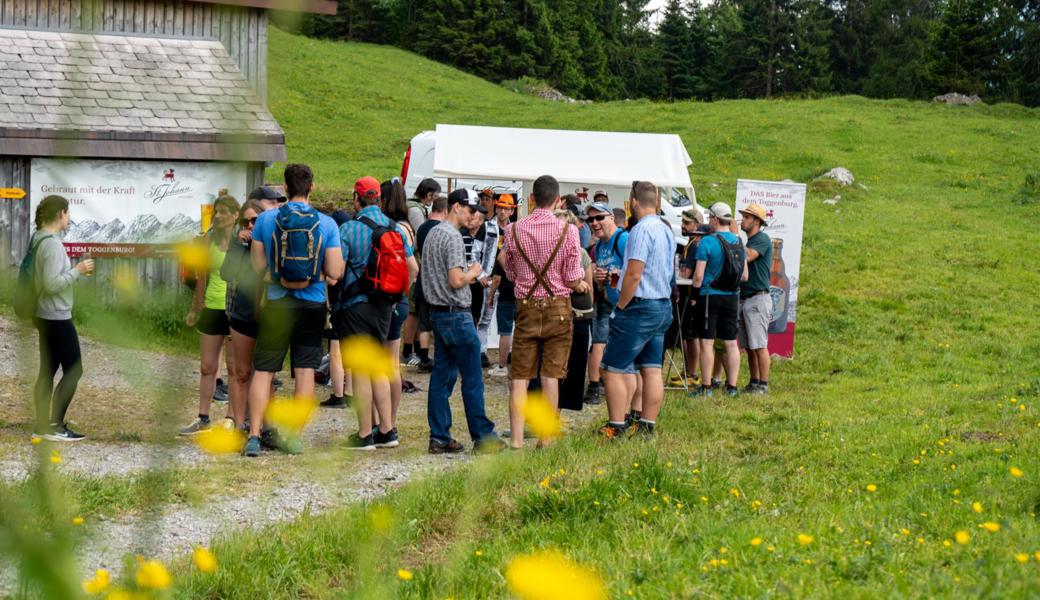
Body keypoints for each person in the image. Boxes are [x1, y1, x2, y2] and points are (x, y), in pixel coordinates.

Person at [244, 164, 344, 457]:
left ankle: (254, 435)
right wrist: (316, 278)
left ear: (285, 189)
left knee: (263, 371)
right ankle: (296, 438)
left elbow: (257, 268)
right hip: (311, 305)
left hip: (277, 303)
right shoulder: (327, 224)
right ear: (311, 187)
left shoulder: (265, 220)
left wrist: (280, 278)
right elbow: (336, 270)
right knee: (304, 372)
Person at [502, 175, 587, 449]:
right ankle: (546, 438)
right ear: (558, 199)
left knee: (519, 378)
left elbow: (513, 274)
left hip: (525, 307)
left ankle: (516, 440)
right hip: (557, 308)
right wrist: (582, 283)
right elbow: (572, 277)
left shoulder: (512, 230)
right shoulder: (568, 231)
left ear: (531, 199)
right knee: (551, 376)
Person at [422, 188, 503, 454]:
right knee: (472, 378)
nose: (473, 216)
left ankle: (440, 436)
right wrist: (474, 272)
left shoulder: (432, 232)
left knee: (442, 376)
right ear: (456, 207)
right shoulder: (454, 238)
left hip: (438, 312)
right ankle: (482, 436)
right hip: (456, 313)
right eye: (470, 210)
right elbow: (456, 280)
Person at [334, 176, 409, 450]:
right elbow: (410, 267)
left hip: (355, 307)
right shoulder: (395, 228)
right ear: (378, 198)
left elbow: (338, 271)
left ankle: (365, 433)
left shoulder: (349, 229)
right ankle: (387, 430)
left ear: (357, 198)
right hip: (385, 306)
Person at [598, 182, 676, 439]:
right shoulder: (666, 229)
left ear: (633, 201)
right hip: (661, 304)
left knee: (612, 368)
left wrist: (620, 304)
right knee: (651, 367)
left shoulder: (641, 230)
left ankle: (615, 426)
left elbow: (634, 273)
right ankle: (646, 424)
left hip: (639, 306)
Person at [29, 195, 94, 441]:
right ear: (60, 214)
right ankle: (55, 426)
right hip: (55, 316)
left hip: (42, 314)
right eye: (68, 214)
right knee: (74, 369)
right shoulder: (52, 244)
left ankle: (42, 425)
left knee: (47, 369)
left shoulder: (38, 238)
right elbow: (51, 284)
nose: (69, 218)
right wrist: (77, 271)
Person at [181, 195, 240, 436]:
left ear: (235, 215)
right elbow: (201, 277)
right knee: (207, 366)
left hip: (236, 309)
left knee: (234, 368)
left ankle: (231, 418)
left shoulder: (242, 241)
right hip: (212, 307)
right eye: (216, 212)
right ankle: (203, 417)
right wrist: (196, 307)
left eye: (224, 212)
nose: (218, 216)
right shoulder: (208, 241)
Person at [690, 202, 748, 398]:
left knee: (707, 342)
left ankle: (706, 387)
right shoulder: (739, 242)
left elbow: (698, 276)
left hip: (709, 296)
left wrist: (693, 297)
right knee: (731, 342)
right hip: (732, 297)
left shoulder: (707, 242)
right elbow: (745, 276)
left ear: (714, 219)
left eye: (709, 218)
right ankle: (732, 387)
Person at [220, 198, 265, 431]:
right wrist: (237, 246)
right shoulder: (239, 244)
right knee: (240, 371)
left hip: (267, 313)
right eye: (245, 222)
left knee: (264, 372)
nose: (249, 226)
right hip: (242, 312)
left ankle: (261, 426)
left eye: (254, 220)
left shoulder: (269, 241)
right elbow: (226, 273)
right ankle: (238, 424)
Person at [380, 178, 421, 428]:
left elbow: (412, 267)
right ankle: (391, 422)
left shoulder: (390, 228)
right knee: (393, 366)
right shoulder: (407, 226)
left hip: (387, 300)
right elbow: (412, 267)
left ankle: (383, 423)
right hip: (401, 300)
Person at [584, 202, 628, 406]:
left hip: (627, 307)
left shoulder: (622, 239)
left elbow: (638, 271)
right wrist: (601, 279)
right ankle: (595, 387)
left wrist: (613, 275)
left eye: (599, 217)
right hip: (607, 302)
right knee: (600, 344)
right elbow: (605, 279)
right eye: (590, 219)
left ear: (611, 217)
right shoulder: (599, 246)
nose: (594, 223)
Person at [555, 209, 595, 411]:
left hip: (578, 314)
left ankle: (561, 410)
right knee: (553, 364)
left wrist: (590, 313)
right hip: (555, 314)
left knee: (575, 363)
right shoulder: (547, 251)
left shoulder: (581, 253)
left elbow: (588, 286)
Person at [737, 203, 774, 394]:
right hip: (746, 298)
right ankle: (754, 382)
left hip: (758, 299)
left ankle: (764, 385)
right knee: (749, 346)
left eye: (746, 217)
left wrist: (734, 240)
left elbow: (747, 257)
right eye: (743, 216)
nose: (742, 220)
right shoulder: (750, 241)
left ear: (757, 221)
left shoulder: (762, 239)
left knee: (759, 344)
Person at [321, 208, 355, 409]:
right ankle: (350, 390)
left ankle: (338, 394)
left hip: (339, 303)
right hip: (353, 302)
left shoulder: (336, 247)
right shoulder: (353, 243)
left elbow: (334, 279)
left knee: (335, 350)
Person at [412, 195, 447, 373]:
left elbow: (416, 248)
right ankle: (439, 357)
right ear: (445, 210)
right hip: (436, 283)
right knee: (439, 322)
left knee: (423, 322)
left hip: (421, 279)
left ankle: (424, 358)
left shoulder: (422, 227)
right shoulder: (442, 229)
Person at [676, 219, 711, 385]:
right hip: (691, 294)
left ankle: (693, 373)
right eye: (695, 236)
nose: (696, 238)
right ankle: (689, 370)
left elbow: (688, 273)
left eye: (699, 236)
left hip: (693, 295)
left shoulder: (698, 247)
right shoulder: (694, 246)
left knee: (692, 335)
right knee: (688, 334)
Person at [486, 194, 516, 376]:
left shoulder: (513, 234)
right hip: (511, 286)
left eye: (507, 208)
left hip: (506, 286)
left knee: (506, 330)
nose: (502, 211)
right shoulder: (489, 227)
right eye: (500, 207)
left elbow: (499, 262)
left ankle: (503, 365)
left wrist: (491, 295)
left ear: (512, 210)